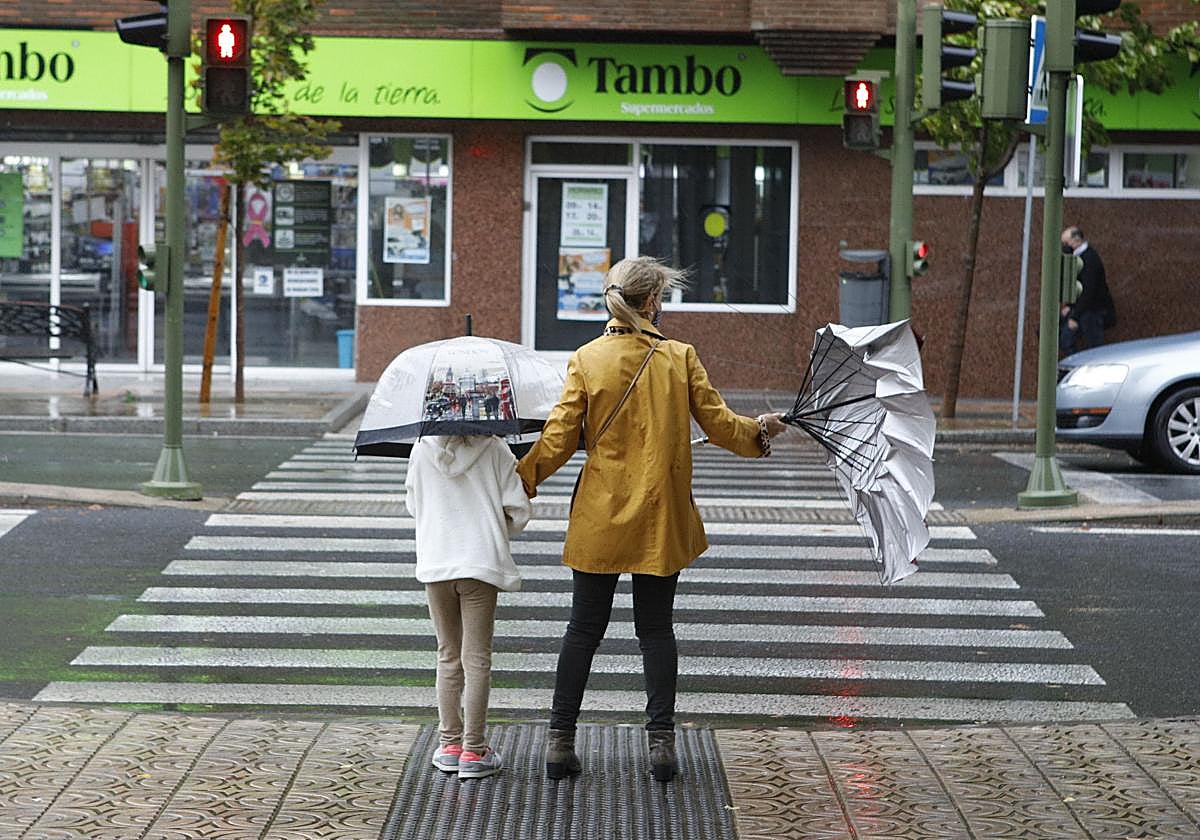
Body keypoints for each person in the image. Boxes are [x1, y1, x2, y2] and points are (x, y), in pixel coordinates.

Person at [516, 256, 787, 783]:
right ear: (653, 302)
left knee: (583, 629)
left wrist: (515, 480)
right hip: (661, 517)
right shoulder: (678, 357)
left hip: (600, 515)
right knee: (657, 631)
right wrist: (762, 430)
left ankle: (559, 741)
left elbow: (557, 440)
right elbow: (723, 426)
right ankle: (661, 745)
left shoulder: (586, 359)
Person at [405, 433, 532, 780]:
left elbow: (414, 505)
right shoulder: (495, 449)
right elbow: (518, 511)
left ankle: (449, 745)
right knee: (476, 660)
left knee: (447, 654)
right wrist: (493, 529)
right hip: (480, 564)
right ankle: (474, 750)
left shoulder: (421, 448)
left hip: (436, 563)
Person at [1059, 226, 1116, 356]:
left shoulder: (1089, 259)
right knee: (1064, 338)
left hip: (1093, 311)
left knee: (1094, 348)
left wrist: (1074, 316)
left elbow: (1088, 291)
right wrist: (1070, 306)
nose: (1065, 247)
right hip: (1084, 309)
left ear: (1076, 241)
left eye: (1066, 243)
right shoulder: (1078, 258)